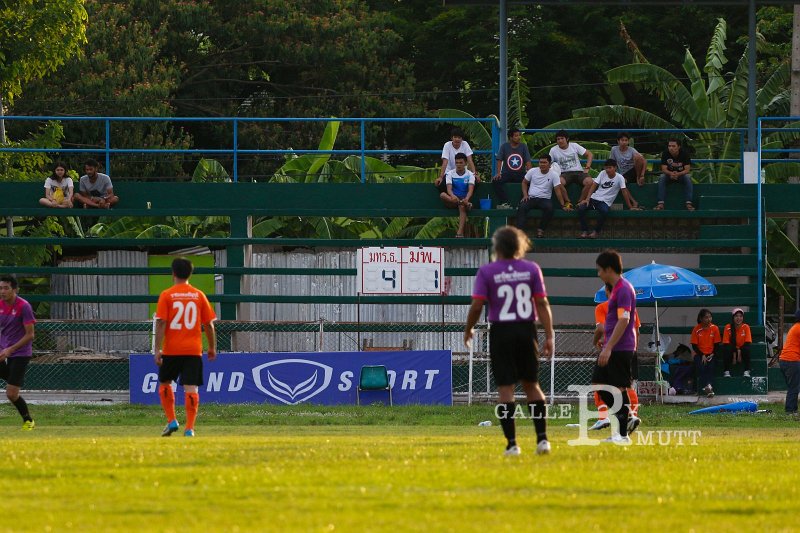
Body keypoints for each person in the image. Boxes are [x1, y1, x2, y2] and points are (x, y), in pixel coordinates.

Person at [464, 226, 554, 456]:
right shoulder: (531, 269)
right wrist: (549, 335)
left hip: (501, 331)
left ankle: (512, 444)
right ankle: (542, 440)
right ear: (519, 245)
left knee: (506, 388)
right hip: (526, 329)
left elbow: (477, 305)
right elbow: (542, 303)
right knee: (532, 384)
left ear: (497, 247)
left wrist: (469, 328)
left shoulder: (487, 271)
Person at [154, 257, 217, 437]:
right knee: (191, 388)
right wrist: (212, 347)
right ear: (190, 273)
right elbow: (209, 324)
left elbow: (161, 323)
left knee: (165, 383)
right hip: (193, 350)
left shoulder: (167, 295)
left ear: (173, 273)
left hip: (171, 350)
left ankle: (172, 420)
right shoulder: (199, 295)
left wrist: (157, 349)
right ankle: (189, 429)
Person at [592, 250, 637, 444]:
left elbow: (624, 320)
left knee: (616, 388)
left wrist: (609, 347)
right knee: (601, 384)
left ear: (609, 269)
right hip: (614, 346)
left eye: (600, 270)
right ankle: (625, 423)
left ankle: (622, 434)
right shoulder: (618, 288)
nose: (599, 274)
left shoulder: (624, 289)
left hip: (620, 347)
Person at [589, 283, 641, 433]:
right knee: (625, 386)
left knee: (600, 383)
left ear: (607, 290)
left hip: (612, 349)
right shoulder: (630, 307)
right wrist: (633, 349)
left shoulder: (603, 307)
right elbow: (637, 331)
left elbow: (600, 328)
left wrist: (596, 341)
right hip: (630, 350)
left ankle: (609, 416)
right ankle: (631, 416)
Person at [0, 276, 36, 430]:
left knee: (11, 394)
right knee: (13, 385)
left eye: (6, 288)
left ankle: (28, 421)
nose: (2, 291)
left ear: (15, 290)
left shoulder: (24, 306)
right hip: (3, 350)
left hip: (20, 353)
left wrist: (10, 349)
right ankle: (16, 380)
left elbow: (30, 335)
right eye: (0, 288)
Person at [577, 159, 640, 239]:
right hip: (594, 198)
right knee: (581, 208)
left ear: (615, 168)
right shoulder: (602, 173)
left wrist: (630, 206)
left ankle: (596, 232)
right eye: (606, 168)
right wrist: (587, 199)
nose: (607, 170)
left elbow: (624, 192)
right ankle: (584, 231)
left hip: (605, 202)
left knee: (604, 211)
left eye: (610, 168)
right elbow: (594, 185)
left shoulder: (620, 178)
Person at [515, 155, 570, 238]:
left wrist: (563, 205)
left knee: (550, 209)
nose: (542, 164)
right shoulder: (532, 171)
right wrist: (525, 195)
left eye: (544, 162)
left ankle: (541, 230)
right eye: (540, 162)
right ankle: (519, 231)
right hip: (531, 198)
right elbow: (524, 182)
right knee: (522, 207)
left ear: (549, 164)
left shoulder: (554, 175)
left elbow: (558, 191)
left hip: (545, 199)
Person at [549, 130, 594, 206]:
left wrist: (587, 167)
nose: (560, 141)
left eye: (562, 138)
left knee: (589, 181)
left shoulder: (574, 146)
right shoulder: (553, 150)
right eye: (558, 139)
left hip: (579, 172)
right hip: (564, 173)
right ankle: (568, 202)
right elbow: (548, 162)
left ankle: (580, 202)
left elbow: (589, 154)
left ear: (567, 139)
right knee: (558, 182)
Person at [492, 128, 532, 209]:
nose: (519, 137)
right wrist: (498, 173)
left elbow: (528, 161)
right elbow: (499, 160)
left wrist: (530, 173)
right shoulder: (504, 146)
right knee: (496, 181)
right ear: (511, 137)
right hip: (507, 173)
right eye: (516, 136)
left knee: (531, 181)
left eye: (519, 135)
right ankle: (505, 202)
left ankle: (521, 203)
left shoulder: (523, 147)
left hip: (521, 174)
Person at [440, 152, 475, 238]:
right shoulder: (450, 174)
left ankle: (460, 233)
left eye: (461, 163)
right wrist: (453, 196)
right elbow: (449, 189)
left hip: (464, 199)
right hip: (452, 200)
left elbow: (470, 190)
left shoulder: (470, 175)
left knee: (462, 206)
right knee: (442, 195)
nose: (458, 165)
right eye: (457, 163)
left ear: (465, 163)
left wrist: (466, 199)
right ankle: (465, 204)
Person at [436, 128, 479, 193]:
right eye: (455, 137)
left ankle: (464, 197)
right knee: (440, 185)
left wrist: (474, 174)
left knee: (476, 182)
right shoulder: (447, 145)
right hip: (449, 173)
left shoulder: (465, 144)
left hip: (463, 174)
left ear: (462, 139)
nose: (457, 139)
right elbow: (445, 162)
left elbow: (470, 160)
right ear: (452, 138)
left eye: (459, 137)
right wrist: (441, 177)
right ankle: (452, 198)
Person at [655, 138, 694, 211]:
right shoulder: (665, 153)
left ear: (678, 147)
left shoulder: (685, 154)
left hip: (681, 175)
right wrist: (671, 173)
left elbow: (687, 169)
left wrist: (678, 174)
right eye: (669, 146)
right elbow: (664, 169)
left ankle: (689, 203)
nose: (671, 148)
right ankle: (660, 204)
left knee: (687, 178)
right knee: (662, 178)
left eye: (673, 146)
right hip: (669, 175)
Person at [691, 308, 721, 398]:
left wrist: (712, 354)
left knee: (711, 367)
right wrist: (702, 355)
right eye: (706, 317)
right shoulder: (696, 329)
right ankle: (708, 386)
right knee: (701, 367)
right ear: (701, 318)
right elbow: (694, 345)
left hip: (711, 353)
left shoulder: (715, 328)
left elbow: (717, 344)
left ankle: (708, 386)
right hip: (699, 353)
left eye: (710, 317)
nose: (709, 319)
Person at [779, 309, 800, 414]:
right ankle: (790, 410)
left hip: (785, 360)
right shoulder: (798, 328)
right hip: (792, 361)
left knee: (793, 386)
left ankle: (792, 409)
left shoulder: (795, 327)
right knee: (794, 387)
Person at [721, 308, 752, 378]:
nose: (738, 318)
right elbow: (726, 343)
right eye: (736, 316)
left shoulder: (746, 327)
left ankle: (747, 370)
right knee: (726, 348)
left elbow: (747, 342)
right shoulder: (728, 327)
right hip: (732, 350)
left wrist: (739, 352)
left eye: (740, 316)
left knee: (747, 349)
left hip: (742, 349)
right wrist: (735, 354)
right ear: (733, 317)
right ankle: (726, 371)